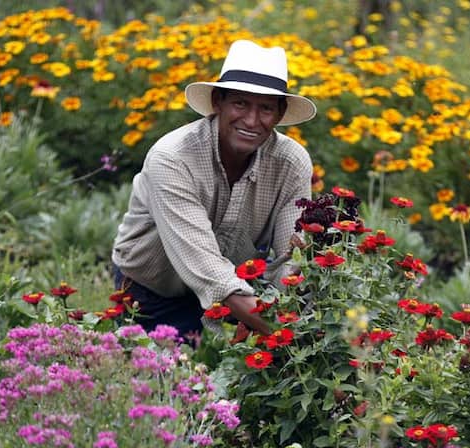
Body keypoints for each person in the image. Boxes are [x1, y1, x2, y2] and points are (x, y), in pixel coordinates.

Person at [110, 39, 316, 341]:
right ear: (218, 101)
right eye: (240, 103)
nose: (251, 120)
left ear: (281, 113)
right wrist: (287, 335)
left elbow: (292, 260)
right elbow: (205, 266)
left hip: (241, 293)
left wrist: (295, 316)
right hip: (155, 288)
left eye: (266, 108)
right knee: (158, 382)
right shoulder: (173, 158)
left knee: (237, 382)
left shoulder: (291, 163)